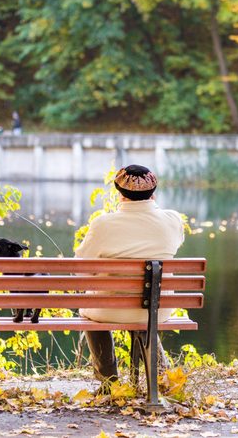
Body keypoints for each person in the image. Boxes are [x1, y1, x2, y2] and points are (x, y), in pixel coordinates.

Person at [74, 165, 185, 388]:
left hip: (109, 309)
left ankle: (110, 383)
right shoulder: (172, 220)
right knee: (146, 309)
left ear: (120, 193)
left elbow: (80, 269)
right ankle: (162, 377)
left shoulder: (103, 224)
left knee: (87, 310)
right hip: (157, 308)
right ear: (153, 193)